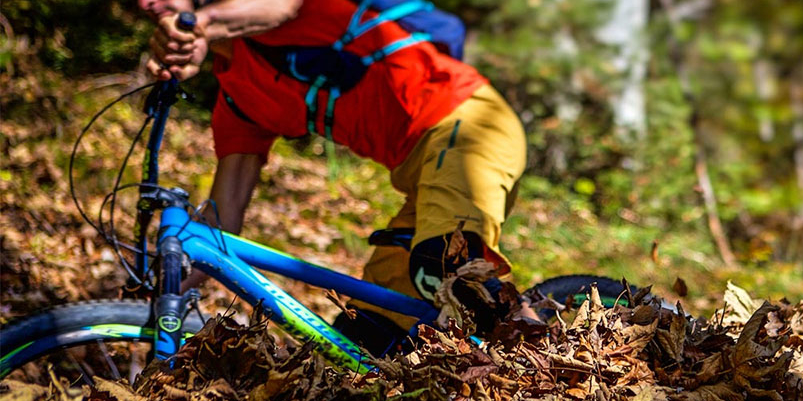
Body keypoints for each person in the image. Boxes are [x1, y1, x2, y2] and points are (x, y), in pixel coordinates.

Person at [138, 0, 531, 356]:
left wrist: (204, 25)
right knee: (361, 342)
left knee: (450, 264)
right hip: (418, 173)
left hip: (471, 125)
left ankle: (554, 358)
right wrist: (167, 286)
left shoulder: (280, 13)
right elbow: (222, 220)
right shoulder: (238, 98)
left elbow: (281, 8)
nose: (146, 3)